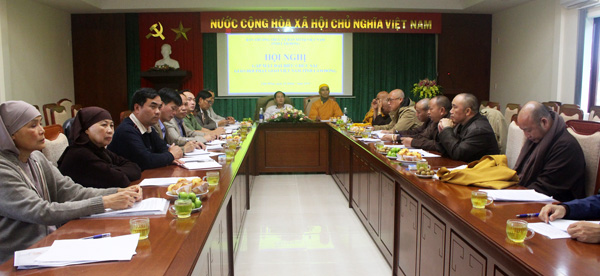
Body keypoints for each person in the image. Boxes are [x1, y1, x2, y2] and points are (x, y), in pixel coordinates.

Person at [0, 101, 142, 263]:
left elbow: (70, 191)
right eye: (33, 126)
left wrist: (116, 192)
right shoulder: (3, 169)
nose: (41, 130)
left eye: (41, 123)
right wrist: (103, 202)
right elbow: (41, 212)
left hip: (49, 244)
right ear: (10, 134)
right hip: (18, 256)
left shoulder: (36, 157)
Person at [513, 101, 585, 202]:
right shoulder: (538, 139)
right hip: (533, 198)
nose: (526, 135)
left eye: (528, 130)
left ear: (544, 122)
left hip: (556, 206)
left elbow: (544, 188)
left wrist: (513, 193)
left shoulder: (565, 147)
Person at [58, 107, 141, 188]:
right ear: (86, 129)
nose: (110, 130)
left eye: (111, 126)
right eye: (104, 125)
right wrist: (114, 170)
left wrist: (113, 170)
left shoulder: (97, 148)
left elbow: (135, 168)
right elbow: (120, 180)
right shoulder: (80, 154)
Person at [108, 88, 183, 170]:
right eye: (153, 107)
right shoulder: (127, 130)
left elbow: (163, 149)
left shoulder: (148, 128)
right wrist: (171, 156)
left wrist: (168, 156)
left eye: (159, 107)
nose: (158, 112)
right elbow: (146, 161)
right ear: (137, 108)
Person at [436, 93, 499, 162]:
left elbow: (458, 154)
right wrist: (442, 130)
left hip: (482, 170)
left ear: (467, 111)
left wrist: (447, 129)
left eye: (455, 107)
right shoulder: (461, 123)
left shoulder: (478, 130)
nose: (451, 111)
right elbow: (446, 150)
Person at [153, 88, 203, 153]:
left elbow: (166, 148)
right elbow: (175, 141)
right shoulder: (153, 125)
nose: (174, 112)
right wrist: (184, 149)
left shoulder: (164, 123)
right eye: (173, 108)